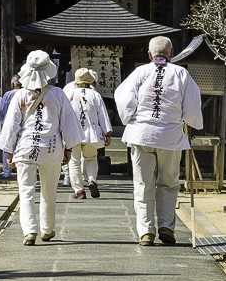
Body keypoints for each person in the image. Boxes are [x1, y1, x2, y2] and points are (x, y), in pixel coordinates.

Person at [114, 36, 202, 245]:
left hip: (141, 134)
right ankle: (166, 227)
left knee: (143, 184)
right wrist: (191, 122)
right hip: (170, 136)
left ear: (150, 54)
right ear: (171, 54)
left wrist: (131, 117)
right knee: (169, 184)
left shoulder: (140, 72)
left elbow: (123, 96)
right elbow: (191, 105)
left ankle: (146, 231)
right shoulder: (181, 73)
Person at [0, 50, 83, 245]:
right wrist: (69, 149)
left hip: (25, 147)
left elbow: (11, 125)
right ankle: (47, 229)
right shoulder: (58, 94)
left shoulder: (20, 95)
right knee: (49, 191)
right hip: (51, 149)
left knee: (26, 190)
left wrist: (8, 151)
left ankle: (29, 230)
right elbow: (68, 124)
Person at [63, 67, 112, 198]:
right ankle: (91, 179)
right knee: (91, 158)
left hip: (73, 133)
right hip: (91, 133)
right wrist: (107, 132)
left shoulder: (68, 94)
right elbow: (102, 114)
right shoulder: (95, 94)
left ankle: (78, 190)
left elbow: (62, 114)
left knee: (74, 161)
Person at [0, 76, 22, 179]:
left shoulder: (8, 94)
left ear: (13, 84)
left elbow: (2, 110)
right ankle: (21, 171)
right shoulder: (26, 93)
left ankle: (7, 172)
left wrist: (4, 121)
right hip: (24, 124)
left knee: (8, 145)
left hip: (9, 122)